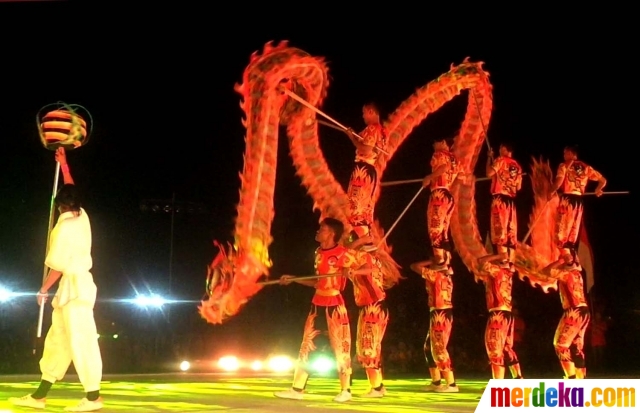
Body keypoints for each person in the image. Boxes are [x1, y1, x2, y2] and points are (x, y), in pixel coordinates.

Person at [9, 147, 103, 412]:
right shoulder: (82, 216)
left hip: (75, 287)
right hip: (72, 290)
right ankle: (40, 395)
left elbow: (58, 267)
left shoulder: (64, 229)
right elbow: (71, 187)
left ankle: (93, 398)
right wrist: (64, 164)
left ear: (60, 205)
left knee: (81, 340)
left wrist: (43, 289)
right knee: (58, 341)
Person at [274, 218, 371, 403]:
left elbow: (368, 268)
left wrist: (352, 273)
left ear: (331, 234)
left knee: (340, 346)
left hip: (334, 304)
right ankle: (297, 389)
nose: (318, 231)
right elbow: (317, 282)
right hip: (317, 303)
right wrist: (294, 279)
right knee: (306, 345)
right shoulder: (318, 252)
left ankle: (346, 390)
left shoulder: (344, 253)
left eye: (322, 229)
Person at [344, 236, 390, 397]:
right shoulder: (372, 257)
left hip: (372, 307)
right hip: (375, 306)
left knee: (367, 346)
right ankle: (379, 385)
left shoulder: (363, 255)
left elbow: (368, 269)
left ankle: (376, 388)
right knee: (373, 347)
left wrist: (354, 270)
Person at [549, 145, 606, 267]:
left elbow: (559, 182)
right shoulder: (586, 167)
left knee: (560, 234)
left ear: (570, 153)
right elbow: (603, 180)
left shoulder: (564, 165)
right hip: (579, 202)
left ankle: (567, 260)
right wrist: (598, 189)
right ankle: (573, 261)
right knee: (571, 236)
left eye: (565, 153)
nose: (564, 156)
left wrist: (551, 191)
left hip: (567, 201)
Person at [410, 258, 458, 392]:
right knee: (428, 347)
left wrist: (431, 259)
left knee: (439, 348)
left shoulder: (437, 276)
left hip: (440, 313)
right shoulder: (444, 276)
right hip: (438, 312)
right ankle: (436, 382)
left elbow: (414, 265)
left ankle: (451, 384)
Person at [541, 257, 591, 379]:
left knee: (560, 345)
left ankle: (571, 378)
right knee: (576, 347)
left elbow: (545, 272)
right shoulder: (577, 272)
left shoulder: (565, 273)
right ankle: (581, 380)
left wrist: (559, 261)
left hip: (573, 311)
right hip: (584, 310)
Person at [477, 254, 524, 379]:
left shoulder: (497, 271)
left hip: (498, 313)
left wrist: (496, 256)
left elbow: (481, 261)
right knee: (506, 348)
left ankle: (498, 384)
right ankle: (518, 378)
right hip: (506, 313)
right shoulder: (507, 273)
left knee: (494, 349)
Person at [344, 103, 386, 241]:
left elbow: (365, 149)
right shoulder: (382, 131)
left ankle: (366, 241)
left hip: (363, 171)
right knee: (364, 209)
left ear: (371, 111)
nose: (363, 116)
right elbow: (365, 143)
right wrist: (354, 135)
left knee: (355, 208)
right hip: (370, 170)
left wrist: (351, 137)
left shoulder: (373, 129)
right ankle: (366, 240)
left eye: (364, 113)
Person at [422, 137, 463, 271]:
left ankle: (439, 259)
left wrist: (430, 176)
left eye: (436, 141)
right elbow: (462, 177)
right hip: (448, 196)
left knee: (435, 227)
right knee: (443, 230)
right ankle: (445, 260)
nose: (434, 144)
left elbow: (443, 167)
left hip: (439, 194)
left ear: (444, 143)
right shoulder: (456, 160)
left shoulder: (440, 154)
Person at [485, 143, 522, 270]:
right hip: (511, 201)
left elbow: (489, 173)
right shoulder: (517, 166)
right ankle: (509, 261)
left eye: (501, 149)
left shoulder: (500, 160)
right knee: (510, 232)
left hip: (500, 199)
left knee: (499, 229)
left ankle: (503, 259)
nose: (500, 151)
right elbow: (519, 187)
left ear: (507, 149)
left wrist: (489, 158)